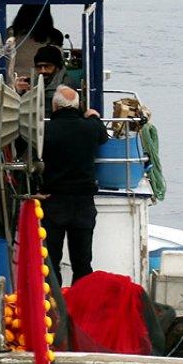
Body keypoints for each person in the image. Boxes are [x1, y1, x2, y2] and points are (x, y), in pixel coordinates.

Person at [38, 85, 108, 287]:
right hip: (83, 203)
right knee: (83, 262)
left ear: (54, 106)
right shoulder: (91, 127)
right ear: (78, 105)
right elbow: (103, 136)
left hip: (53, 202)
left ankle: (54, 305)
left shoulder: (45, 130)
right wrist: (93, 116)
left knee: (51, 262)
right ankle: (82, 304)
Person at [7, 4, 64, 81]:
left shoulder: (9, 34)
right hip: (41, 83)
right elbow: (58, 65)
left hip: (11, 82)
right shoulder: (54, 36)